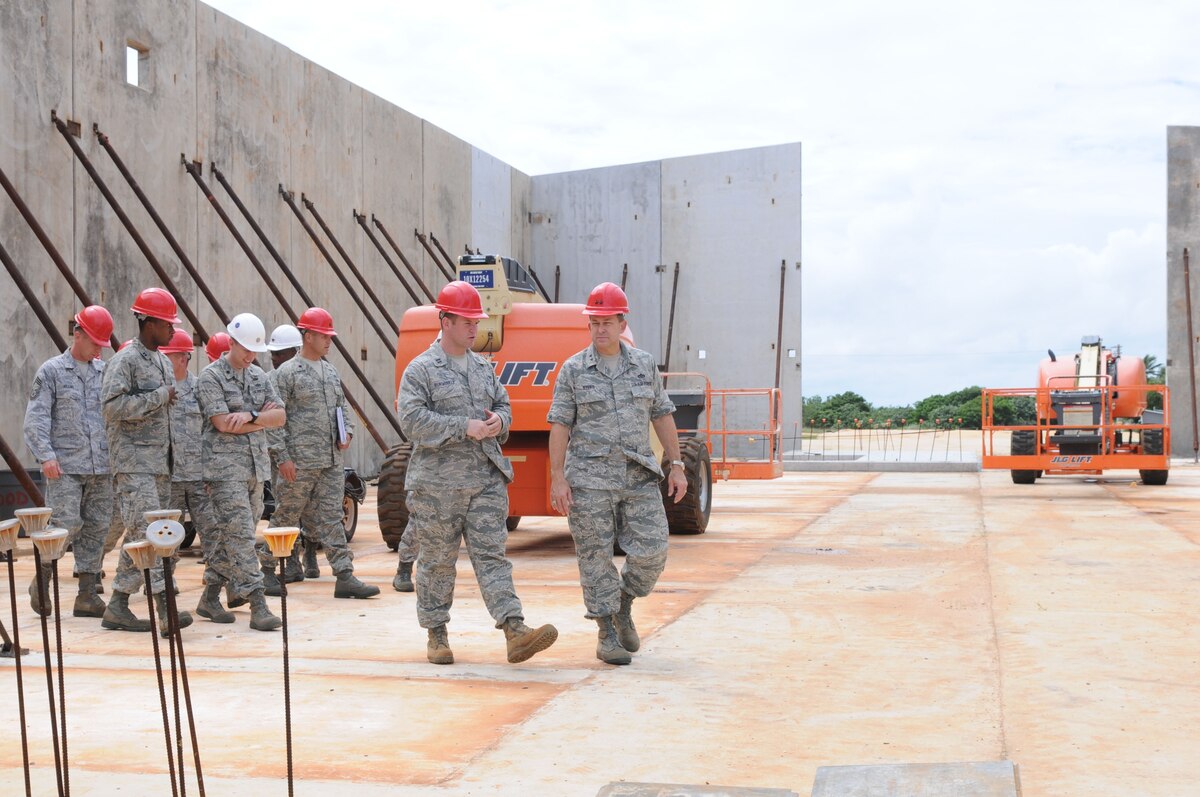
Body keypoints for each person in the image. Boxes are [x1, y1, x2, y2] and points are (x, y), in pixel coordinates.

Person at [397, 281, 557, 665]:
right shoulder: (421, 370)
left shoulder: (484, 368)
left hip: (485, 478)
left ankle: (514, 629)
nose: (475, 328)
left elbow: (504, 405)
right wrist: (462, 426)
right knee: (437, 560)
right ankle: (437, 634)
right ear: (445, 320)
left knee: (493, 556)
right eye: (467, 321)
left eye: (476, 321)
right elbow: (411, 421)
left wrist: (499, 421)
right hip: (438, 486)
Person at [548, 282, 686, 665]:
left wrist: (676, 465)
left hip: (638, 474)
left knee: (653, 550)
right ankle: (606, 631)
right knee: (594, 556)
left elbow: (662, 414)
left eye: (607, 322)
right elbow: (559, 424)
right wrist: (557, 477)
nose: (600, 329)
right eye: (594, 322)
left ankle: (624, 602)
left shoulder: (644, 364)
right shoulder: (574, 370)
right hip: (589, 479)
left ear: (622, 321)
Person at [263, 308, 378, 600]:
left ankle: (344, 575)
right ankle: (264, 572)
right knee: (286, 517)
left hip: (329, 462)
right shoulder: (285, 374)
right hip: (298, 464)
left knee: (331, 517)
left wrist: (348, 432)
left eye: (330, 336)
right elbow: (274, 420)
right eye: (324, 336)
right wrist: (282, 458)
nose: (328, 341)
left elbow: (343, 410)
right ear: (308, 336)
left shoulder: (330, 371)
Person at [99, 288, 193, 634]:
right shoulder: (124, 361)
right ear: (148, 322)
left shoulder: (162, 363)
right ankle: (165, 610)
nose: (172, 330)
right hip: (134, 463)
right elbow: (111, 408)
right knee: (156, 535)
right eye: (167, 323)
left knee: (140, 536)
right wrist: (158, 396)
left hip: (159, 466)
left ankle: (118, 605)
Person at [194, 313, 287, 630]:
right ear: (230, 342)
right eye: (245, 349)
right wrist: (261, 418)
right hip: (223, 470)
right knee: (244, 536)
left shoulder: (259, 377)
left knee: (232, 536)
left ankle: (209, 596)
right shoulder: (211, 377)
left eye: (255, 351)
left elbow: (281, 416)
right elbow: (222, 424)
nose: (250, 356)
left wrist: (248, 416)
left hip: (255, 469)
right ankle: (257, 602)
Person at [23, 305, 114, 618]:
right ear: (78, 334)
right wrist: (46, 455)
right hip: (65, 467)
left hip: (101, 467)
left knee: (97, 528)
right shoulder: (51, 371)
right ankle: (43, 579)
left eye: (102, 345)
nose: (98, 350)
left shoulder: (105, 373)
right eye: (94, 343)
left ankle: (87, 594)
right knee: (65, 525)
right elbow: (35, 419)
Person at [160, 329, 222, 595]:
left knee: (212, 530)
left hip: (199, 475)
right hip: (169, 476)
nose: (163, 361)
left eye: (169, 357)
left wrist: (213, 471)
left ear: (184, 358)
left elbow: (214, 431)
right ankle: (165, 579)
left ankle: (215, 578)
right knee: (168, 533)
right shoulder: (159, 391)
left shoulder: (201, 389)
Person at [264, 323, 317, 582]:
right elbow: (272, 425)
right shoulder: (271, 380)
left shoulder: (310, 373)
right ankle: (283, 563)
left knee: (306, 510)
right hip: (286, 459)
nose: (274, 358)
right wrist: (282, 457)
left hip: (310, 457)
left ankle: (304, 560)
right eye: (272, 353)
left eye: (280, 352)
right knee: (287, 511)